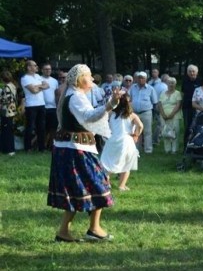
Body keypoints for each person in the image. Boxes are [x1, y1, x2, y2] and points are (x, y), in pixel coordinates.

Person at [47, 64, 123, 242]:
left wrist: (110, 103)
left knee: (77, 190)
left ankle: (64, 232)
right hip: (74, 151)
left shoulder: (75, 95)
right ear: (80, 79)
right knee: (100, 184)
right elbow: (89, 116)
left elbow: (88, 117)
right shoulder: (75, 97)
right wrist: (110, 104)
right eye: (88, 76)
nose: (92, 79)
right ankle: (93, 229)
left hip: (71, 149)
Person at [100, 94, 143, 191]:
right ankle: (121, 186)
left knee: (109, 163)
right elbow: (140, 126)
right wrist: (136, 135)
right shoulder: (132, 115)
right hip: (126, 140)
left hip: (112, 139)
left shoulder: (111, 113)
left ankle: (105, 183)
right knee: (127, 164)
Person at [21, 60, 48, 152]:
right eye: (34, 65)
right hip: (31, 105)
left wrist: (37, 86)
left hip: (41, 104)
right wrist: (40, 86)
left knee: (42, 127)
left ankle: (41, 148)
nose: (36, 67)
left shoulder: (37, 76)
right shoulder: (25, 78)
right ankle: (28, 147)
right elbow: (33, 91)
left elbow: (47, 85)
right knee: (30, 127)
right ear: (29, 67)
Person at [129, 71, 158, 154]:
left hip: (146, 112)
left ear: (146, 79)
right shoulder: (132, 88)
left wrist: (155, 114)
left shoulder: (150, 89)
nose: (141, 79)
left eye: (142, 78)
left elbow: (155, 102)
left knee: (147, 132)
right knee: (135, 131)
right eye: (139, 78)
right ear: (137, 79)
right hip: (135, 113)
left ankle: (148, 149)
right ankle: (136, 149)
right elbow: (129, 99)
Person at [158, 77, 183, 154]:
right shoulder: (162, 93)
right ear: (167, 84)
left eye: (173, 83)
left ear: (175, 84)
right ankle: (167, 149)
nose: (171, 84)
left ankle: (174, 150)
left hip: (174, 116)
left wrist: (171, 115)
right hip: (163, 116)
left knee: (175, 132)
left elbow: (178, 105)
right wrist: (163, 114)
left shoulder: (177, 93)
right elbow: (160, 104)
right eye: (169, 83)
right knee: (165, 132)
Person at [181, 64, 202, 148]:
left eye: (193, 71)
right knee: (187, 127)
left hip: (197, 107)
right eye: (189, 71)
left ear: (196, 72)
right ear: (187, 72)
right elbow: (182, 93)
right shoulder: (184, 81)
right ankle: (186, 146)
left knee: (196, 126)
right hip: (186, 107)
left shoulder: (200, 81)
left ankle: (196, 145)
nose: (191, 73)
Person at [41, 63, 59, 150]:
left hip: (53, 107)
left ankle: (51, 145)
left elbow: (56, 94)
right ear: (42, 70)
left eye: (49, 69)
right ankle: (42, 145)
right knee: (43, 128)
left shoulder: (55, 81)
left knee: (53, 128)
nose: (48, 70)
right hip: (42, 107)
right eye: (46, 69)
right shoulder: (39, 79)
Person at [0, 70, 18, 156]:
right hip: (12, 110)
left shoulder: (6, 87)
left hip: (6, 111)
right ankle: (7, 149)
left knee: (6, 131)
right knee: (9, 130)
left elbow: (5, 100)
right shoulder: (13, 86)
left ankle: (9, 149)